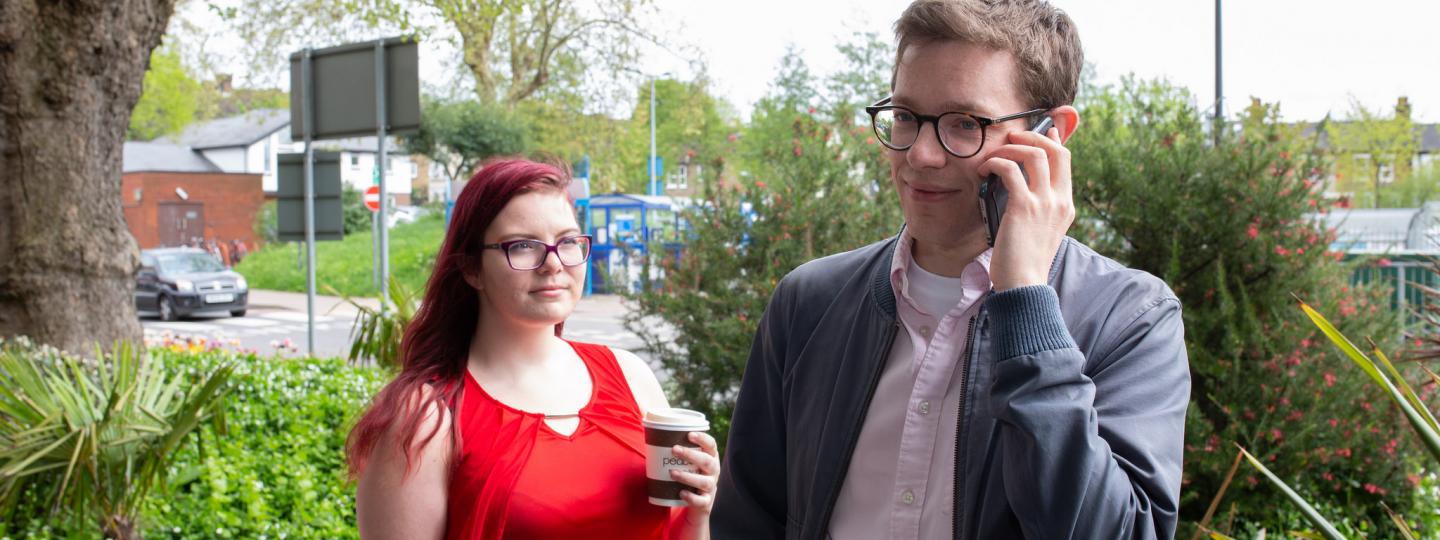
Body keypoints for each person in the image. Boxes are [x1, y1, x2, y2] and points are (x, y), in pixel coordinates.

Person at [712, 1, 1189, 538]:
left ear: (1051, 134)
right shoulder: (809, 302)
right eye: (905, 116)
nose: (920, 155)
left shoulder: (1130, 320)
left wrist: (1026, 304)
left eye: (964, 123)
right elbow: (745, 523)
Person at [348, 159, 720, 540]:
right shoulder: (425, 419)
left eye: (568, 241)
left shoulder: (630, 377)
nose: (553, 263)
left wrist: (697, 516)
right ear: (471, 268)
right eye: (524, 246)